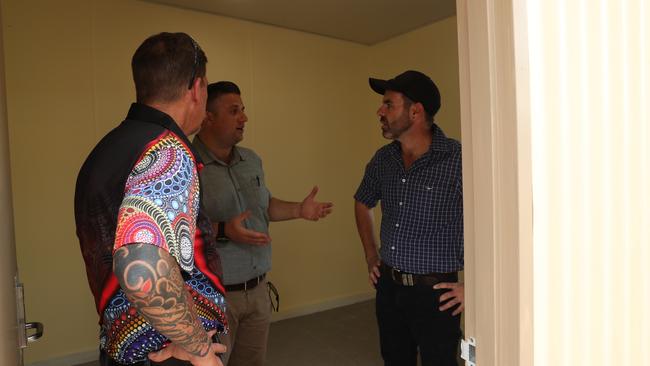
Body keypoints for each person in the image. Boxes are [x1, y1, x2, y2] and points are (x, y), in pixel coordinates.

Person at [75, 32, 228, 366]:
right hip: (169, 352)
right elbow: (140, 262)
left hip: (124, 347)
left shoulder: (106, 150)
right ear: (196, 89)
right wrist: (199, 348)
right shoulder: (167, 151)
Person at [192, 81, 333, 366]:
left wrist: (299, 210)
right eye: (234, 111)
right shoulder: (187, 162)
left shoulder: (251, 160)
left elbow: (264, 206)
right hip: (213, 297)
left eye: (243, 110)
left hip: (257, 292)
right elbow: (174, 229)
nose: (244, 118)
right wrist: (223, 230)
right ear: (208, 117)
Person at [354, 70, 464, 366]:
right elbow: (362, 202)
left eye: (389, 104)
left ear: (416, 111)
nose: (380, 111)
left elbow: (492, 225)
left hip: (437, 295)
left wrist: (475, 288)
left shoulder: (458, 159)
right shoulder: (383, 158)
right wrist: (370, 255)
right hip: (388, 289)